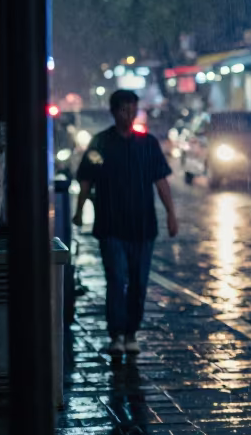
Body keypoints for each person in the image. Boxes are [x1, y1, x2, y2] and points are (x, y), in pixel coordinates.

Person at [74, 90, 178, 356]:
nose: (129, 115)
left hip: (143, 226)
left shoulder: (148, 144)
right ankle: (116, 333)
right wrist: (79, 209)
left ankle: (131, 331)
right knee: (116, 279)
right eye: (124, 110)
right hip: (111, 225)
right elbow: (87, 178)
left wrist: (171, 213)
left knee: (139, 282)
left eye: (133, 110)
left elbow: (161, 181)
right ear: (114, 111)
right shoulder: (101, 144)